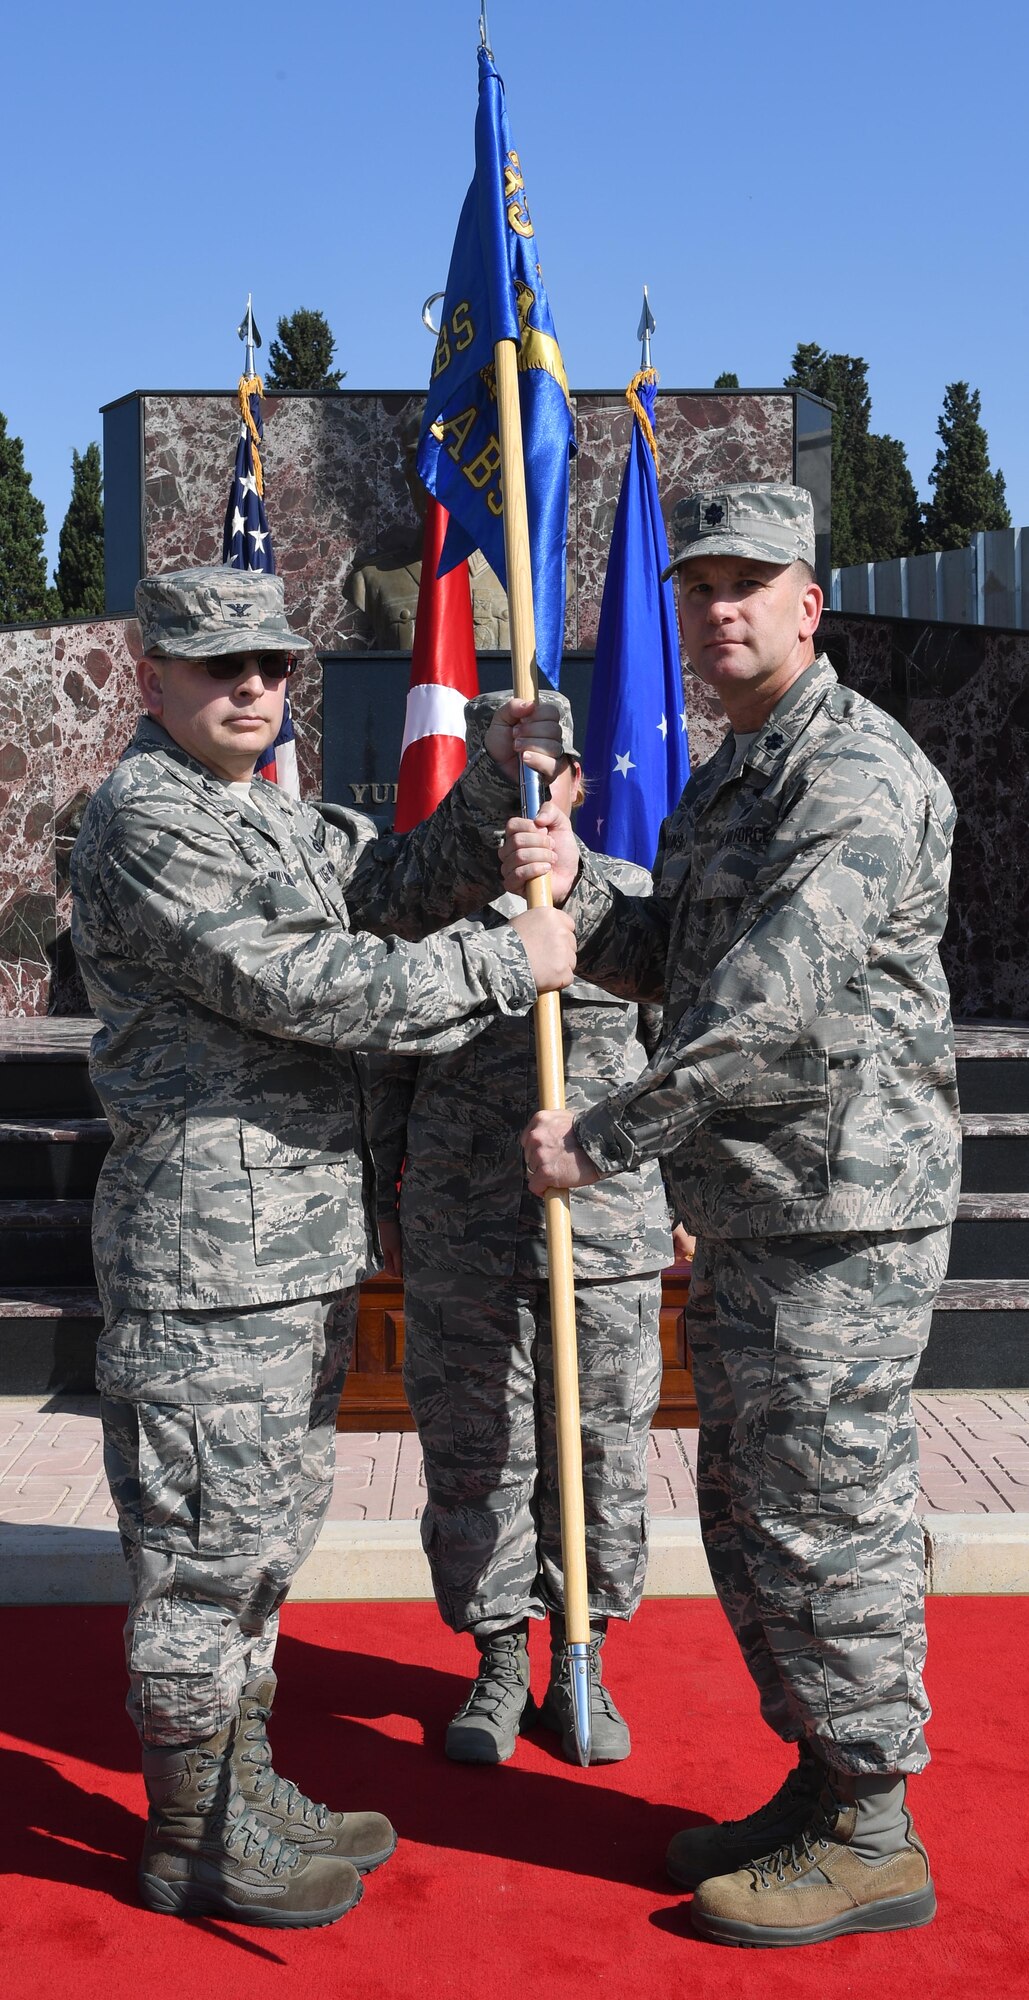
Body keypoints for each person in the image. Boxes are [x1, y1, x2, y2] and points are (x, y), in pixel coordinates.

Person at [69, 564, 575, 1930]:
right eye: (219, 665)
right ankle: (188, 1835)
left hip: (292, 1251)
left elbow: (395, 884)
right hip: (206, 1262)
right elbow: (308, 985)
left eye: (273, 668)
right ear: (151, 676)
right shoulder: (145, 819)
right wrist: (503, 965)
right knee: (200, 1560)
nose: (251, 687)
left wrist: (498, 785)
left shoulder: (271, 816)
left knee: (264, 1546)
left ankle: (242, 1786)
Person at [502, 484, 960, 1948]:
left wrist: (603, 1139)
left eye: (751, 581)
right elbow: (684, 958)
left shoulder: (855, 779)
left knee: (828, 1516)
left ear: (809, 603)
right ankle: (826, 1784)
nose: (719, 608)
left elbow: (765, 1012)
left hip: (843, 1214)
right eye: (698, 584)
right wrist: (586, 894)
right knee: (758, 1512)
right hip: (765, 1208)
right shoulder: (733, 775)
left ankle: (877, 1831)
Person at [368, 690, 680, 1767]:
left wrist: (681, 1199)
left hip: (602, 1230)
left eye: (562, 779)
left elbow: (677, 1060)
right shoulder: (444, 917)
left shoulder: (631, 906)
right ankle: (499, 1657)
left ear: (583, 789)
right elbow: (385, 1061)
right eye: (527, 781)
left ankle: (582, 1658)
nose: (541, 800)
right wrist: (380, 1192)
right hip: (463, 1223)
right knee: (475, 1450)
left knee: (599, 1450)